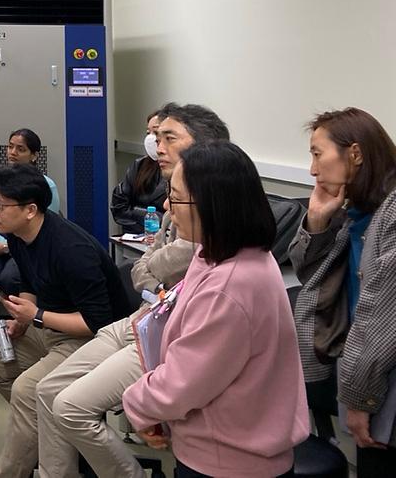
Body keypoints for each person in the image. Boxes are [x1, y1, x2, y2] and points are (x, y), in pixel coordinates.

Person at [35, 102, 229, 478]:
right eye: (156, 137)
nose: (157, 147)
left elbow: (168, 260)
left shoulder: (213, 213)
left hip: (166, 333)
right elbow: (142, 269)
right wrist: (156, 273)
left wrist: (156, 270)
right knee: (47, 390)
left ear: (203, 146)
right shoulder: (172, 203)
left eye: (168, 138)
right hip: (143, 317)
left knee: (71, 407)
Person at [122, 141, 308, 478]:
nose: (167, 205)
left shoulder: (230, 286)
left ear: (211, 206)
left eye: (176, 197)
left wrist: (137, 405)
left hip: (229, 461)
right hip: (230, 447)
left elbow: (182, 383)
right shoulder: (227, 253)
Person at [0, 165, 133, 478]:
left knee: (26, 391)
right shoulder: (19, 236)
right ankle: (52, 432)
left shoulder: (71, 250)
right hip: (50, 326)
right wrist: (21, 320)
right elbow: (30, 282)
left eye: (0, 205)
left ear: (30, 210)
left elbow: (96, 323)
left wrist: (35, 315)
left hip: (90, 339)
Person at [291, 108, 396, 476]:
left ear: (355, 153)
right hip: (369, 373)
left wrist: (359, 398)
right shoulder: (356, 210)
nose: (312, 169)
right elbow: (310, 273)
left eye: (317, 154)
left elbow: (379, 319)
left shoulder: (392, 213)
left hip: (383, 379)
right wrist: (317, 220)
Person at [0, 129, 60, 357]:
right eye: (10, 147)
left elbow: (46, 226)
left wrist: (7, 247)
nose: (13, 152)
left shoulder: (45, 185)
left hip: (25, 248)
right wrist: (1, 244)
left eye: (21, 149)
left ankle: (18, 339)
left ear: (34, 155)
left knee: (11, 279)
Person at [110, 110, 166, 234]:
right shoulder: (139, 165)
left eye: (156, 132)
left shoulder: (183, 169)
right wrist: (149, 218)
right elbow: (119, 206)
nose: (150, 138)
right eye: (148, 133)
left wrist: (136, 212)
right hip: (135, 236)